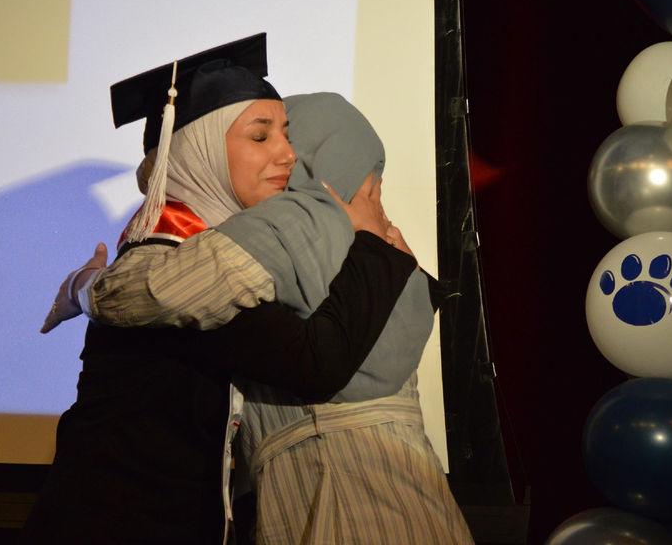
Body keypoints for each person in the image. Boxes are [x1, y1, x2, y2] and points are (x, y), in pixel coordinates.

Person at [24, 34, 420, 544]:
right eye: (261, 137)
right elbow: (316, 362)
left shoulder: (212, 252)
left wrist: (84, 285)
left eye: (286, 134)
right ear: (200, 150)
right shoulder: (177, 260)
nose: (287, 154)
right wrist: (372, 244)